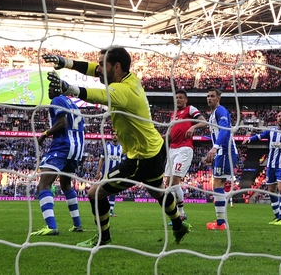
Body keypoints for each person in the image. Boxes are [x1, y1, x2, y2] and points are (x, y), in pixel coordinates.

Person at [44, 47, 189, 247]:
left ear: (117, 67)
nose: (98, 69)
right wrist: (66, 62)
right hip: (156, 147)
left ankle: (104, 239)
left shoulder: (123, 91)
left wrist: (69, 88)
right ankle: (179, 225)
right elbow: (93, 69)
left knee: (95, 193)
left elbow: (99, 96)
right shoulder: (129, 78)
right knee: (158, 191)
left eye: (104, 65)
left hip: (141, 157)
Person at [30, 93, 85, 236]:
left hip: (63, 146)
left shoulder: (57, 100)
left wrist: (45, 134)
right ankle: (77, 224)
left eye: (51, 86)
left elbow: (62, 123)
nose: (48, 90)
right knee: (65, 184)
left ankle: (51, 226)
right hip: (76, 149)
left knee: (43, 184)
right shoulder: (73, 104)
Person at [165, 89, 205, 221]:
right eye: (176, 98)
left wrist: (193, 127)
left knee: (175, 180)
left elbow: (204, 122)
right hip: (172, 149)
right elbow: (170, 134)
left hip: (184, 148)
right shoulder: (174, 115)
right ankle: (177, 213)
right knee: (168, 182)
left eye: (181, 97)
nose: (178, 100)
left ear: (186, 100)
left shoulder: (190, 109)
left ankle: (181, 213)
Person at [203, 88, 237, 230]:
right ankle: (220, 222)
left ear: (218, 98)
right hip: (221, 152)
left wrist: (215, 148)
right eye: (208, 96)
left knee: (218, 184)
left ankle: (221, 223)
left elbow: (224, 130)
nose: (209, 98)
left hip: (225, 151)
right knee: (217, 185)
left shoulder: (220, 111)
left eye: (212, 96)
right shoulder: (212, 115)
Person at [96, 134, 124, 217]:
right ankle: (102, 210)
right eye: (113, 135)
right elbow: (101, 159)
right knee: (102, 192)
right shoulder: (107, 146)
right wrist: (98, 171)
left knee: (113, 192)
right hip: (106, 174)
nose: (114, 136)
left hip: (116, 174)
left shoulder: (122, 148)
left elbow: (123, 162)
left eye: (116, 135)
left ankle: (111, 211)